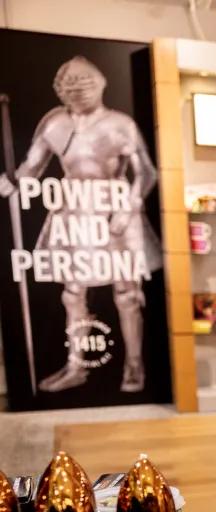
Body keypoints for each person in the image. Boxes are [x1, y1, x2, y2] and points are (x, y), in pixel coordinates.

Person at [0, 56, 160, 392]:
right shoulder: (55, 122)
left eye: (84, 84)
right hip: (73, 209)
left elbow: (146, 172)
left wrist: (128, 208)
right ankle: (77, 365)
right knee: (73, 294)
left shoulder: (120, 123)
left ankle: (134, 365)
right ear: (60, 91)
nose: (78, 91)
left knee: (127, 293)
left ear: (100, 84)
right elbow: (33, 165)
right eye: (70, 86)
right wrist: (13, 179)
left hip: (114, 206)